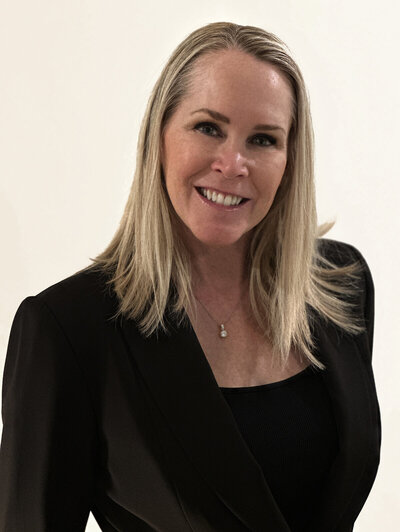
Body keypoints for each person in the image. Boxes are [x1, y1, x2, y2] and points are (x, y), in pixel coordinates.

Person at [0, 21, 381, 532]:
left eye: (263, 139)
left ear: (290, 160)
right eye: (208, 128)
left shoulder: (342, 286)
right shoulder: (68, 329)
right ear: (159, 136)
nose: (233, 163)